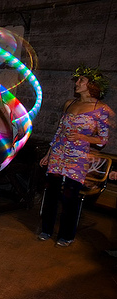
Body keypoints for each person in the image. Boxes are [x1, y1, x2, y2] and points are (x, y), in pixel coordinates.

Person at [39, 65, 110, 247]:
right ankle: (46, 230)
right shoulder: (69, 104)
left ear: (91, 84)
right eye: (77, 80)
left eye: (81, 80)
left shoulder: (100, 109)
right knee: (51, 194)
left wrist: (82, 136)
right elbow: (59, 132)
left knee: (70, 196)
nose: (76, 83)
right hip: (58, 154)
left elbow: (102, 140)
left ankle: (66, 235)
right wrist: (49, 153)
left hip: (77, 158)